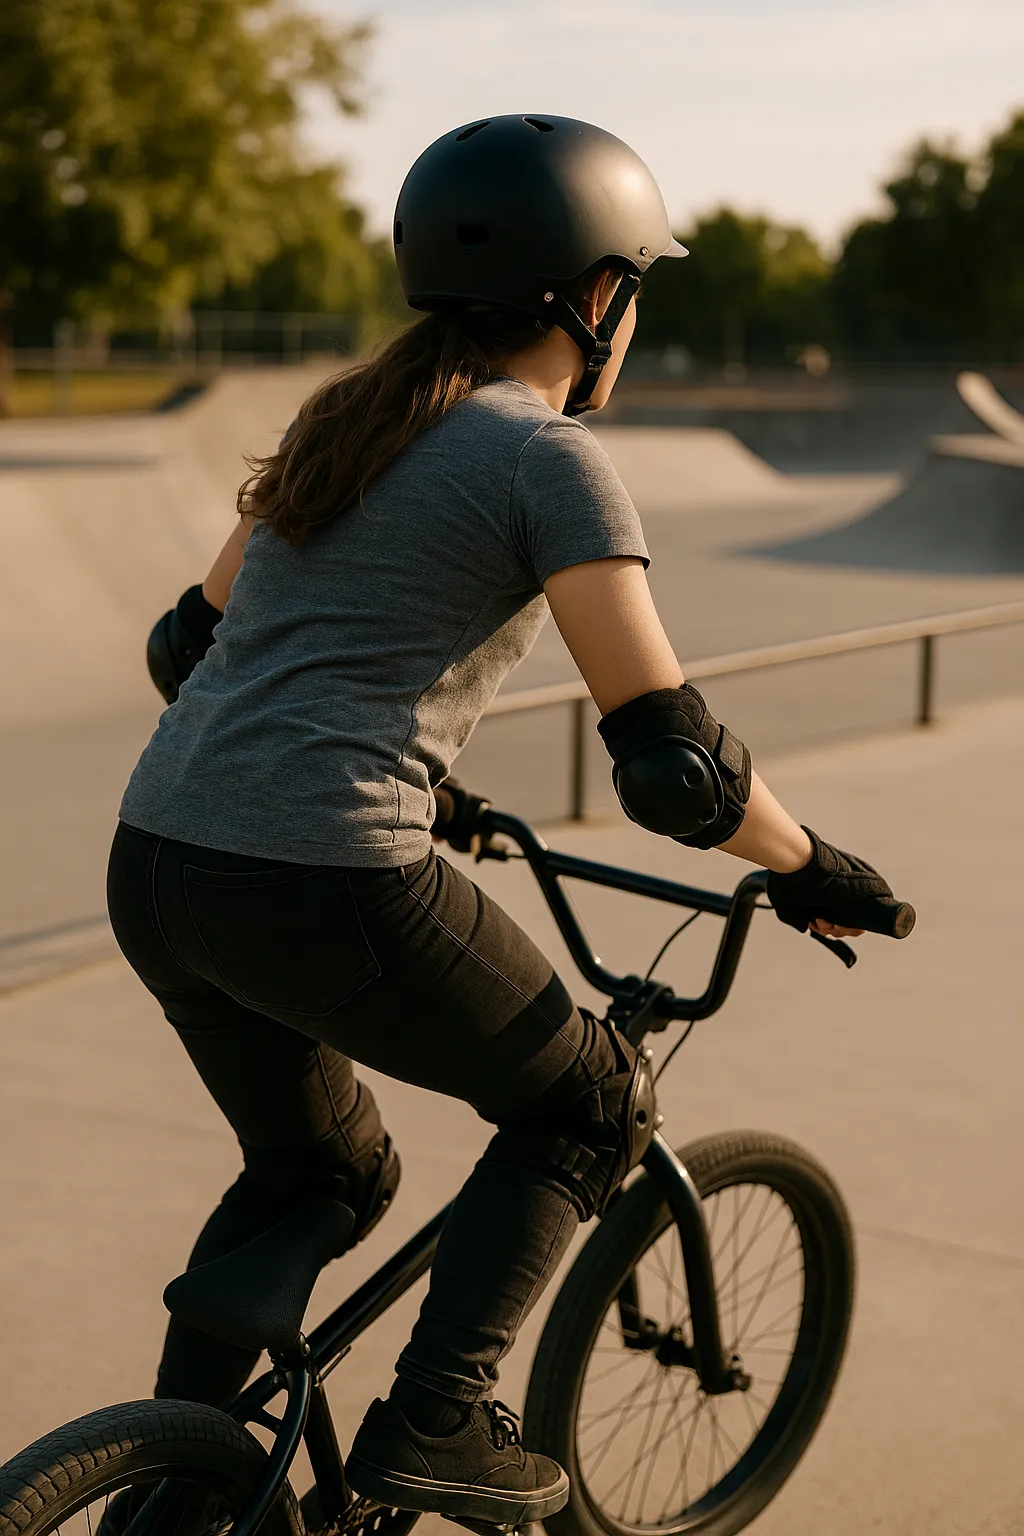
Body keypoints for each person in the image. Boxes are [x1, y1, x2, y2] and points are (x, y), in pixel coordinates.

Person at [106, 115, 912, 1527]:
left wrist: (427, 780)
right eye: (638, 287)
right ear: (591, 296)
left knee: (318, 1167)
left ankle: (175, 1481)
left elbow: (191, 650)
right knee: (595, 1098)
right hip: (326, 871)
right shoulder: (547, 458)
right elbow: (676, 769)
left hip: (159, 860)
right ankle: (434, 1425)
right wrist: (810, 865)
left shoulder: (348, 420)